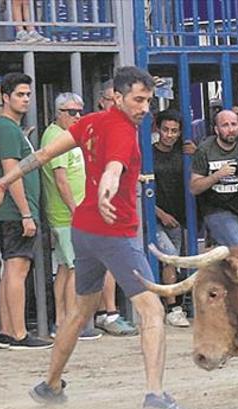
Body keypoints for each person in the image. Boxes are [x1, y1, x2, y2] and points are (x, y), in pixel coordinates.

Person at [0, 66, 193, 409]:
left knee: (78, 313)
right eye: (138, 100)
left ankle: (50, 384)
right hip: (114, 233)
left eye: (148, 100)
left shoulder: (91, 121)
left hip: (84, 231)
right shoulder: (123, 130)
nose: (144, 108)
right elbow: (114, 168)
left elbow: (40, 156)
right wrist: (107, 189)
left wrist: (1, 183)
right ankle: (154, 394)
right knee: (152, 311)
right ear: (117, 97)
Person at [0, 72, 51, 350]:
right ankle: (20, 334)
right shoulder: (6, 129)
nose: (25, 99)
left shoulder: (6, 129)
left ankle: (7, 332)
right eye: (20, 94)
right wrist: (26, 213)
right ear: (5, 97)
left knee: (9, 269)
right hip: (15, 212)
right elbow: (12, 172)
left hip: (8, 211)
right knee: (17, 268)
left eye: (27, 94)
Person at [40, 92, 102, 341]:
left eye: (80, 111)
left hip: (69, 214)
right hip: (67, 215)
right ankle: (68, 324)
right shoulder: (57, 137)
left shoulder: (64, 135)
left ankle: (61, 321)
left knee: (66, 268)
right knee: (74, 268)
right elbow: (61, 179)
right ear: (59, 113)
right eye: (71, 112)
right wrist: (77, 212)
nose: (78, 116)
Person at [94, 78, 137, 336]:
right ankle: (107, 314)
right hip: (96, 211)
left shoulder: (123, 128)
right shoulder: (97, 126)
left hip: (114, 210)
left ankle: (104, 314)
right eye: (112, 100)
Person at [190, 109, 238, 247]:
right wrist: (217, 175)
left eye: (234, 124)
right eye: (225, 125)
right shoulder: (205, 149)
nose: (231, 129)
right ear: (216, 129)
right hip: (216, 208)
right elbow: (194, 188)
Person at [152, 110, 193, 327]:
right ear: (157, 129)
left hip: (178, 218)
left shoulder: (184, 153)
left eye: (174, 131)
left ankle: (175, 302)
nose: (169, 135)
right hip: (156, 217)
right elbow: (143, 190)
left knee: (175, 260)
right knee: (169, 257)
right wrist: (159, 213)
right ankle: (173, 307)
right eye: (165, 130)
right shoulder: (149, 154)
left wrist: (196, 154)